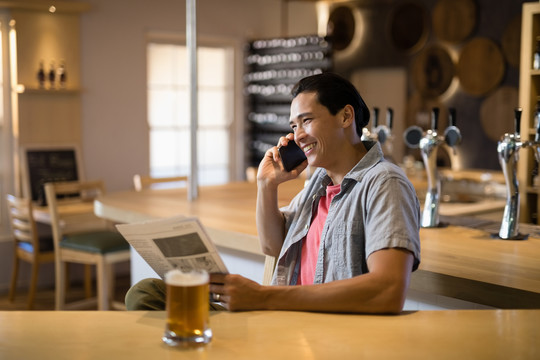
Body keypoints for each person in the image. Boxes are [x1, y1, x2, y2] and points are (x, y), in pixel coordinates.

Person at [125, 72, 421, 314]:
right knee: (147, 293)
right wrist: (266, 186)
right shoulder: (318, 183)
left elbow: (389, 290)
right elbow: (272, 245)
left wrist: (265, 298)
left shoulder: (384, 182)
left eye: (307, 120)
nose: (297, 135)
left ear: (345, 117)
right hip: (282, 314)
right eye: (294, 125)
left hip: (321, 328)